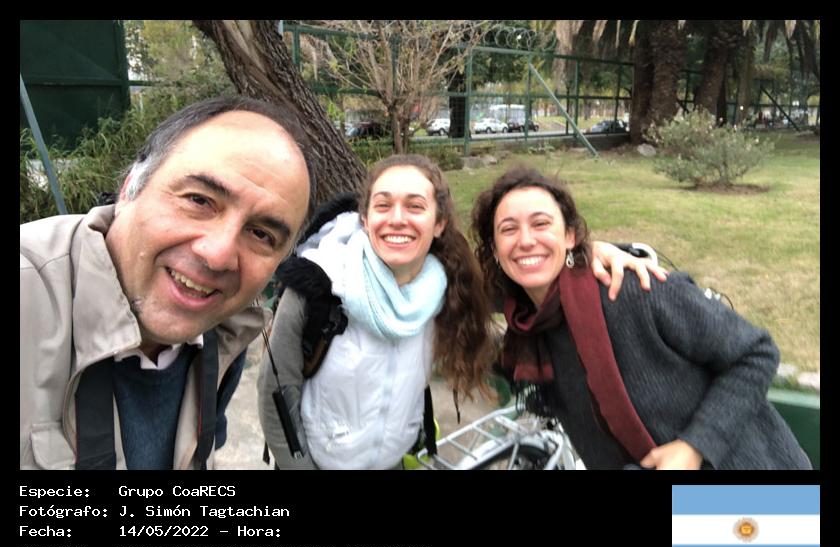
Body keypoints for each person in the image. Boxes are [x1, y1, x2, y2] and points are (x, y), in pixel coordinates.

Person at [258, 154, 664, 470]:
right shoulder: (318, 285)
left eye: (415, 206)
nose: (397, 219)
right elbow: (275, 392)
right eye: (383, 205)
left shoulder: (447, 285)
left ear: (438, 223)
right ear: (365, 219)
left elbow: (530, 274)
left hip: (398, 459)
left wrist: (589, 252)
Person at [20, 96, 313, 470]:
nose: (218, 255)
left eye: (260, 234)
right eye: (199, 200)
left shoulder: (226, 331)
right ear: (130, 188)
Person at [471, 167, 811, 470]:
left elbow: (755, 353)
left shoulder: (636, 290)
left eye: (541, 224)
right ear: (495, 249)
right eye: (508, 229)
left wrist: (694, 446)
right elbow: (454, 282)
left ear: (570, 235)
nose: (526, 240)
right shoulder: (528, 324)